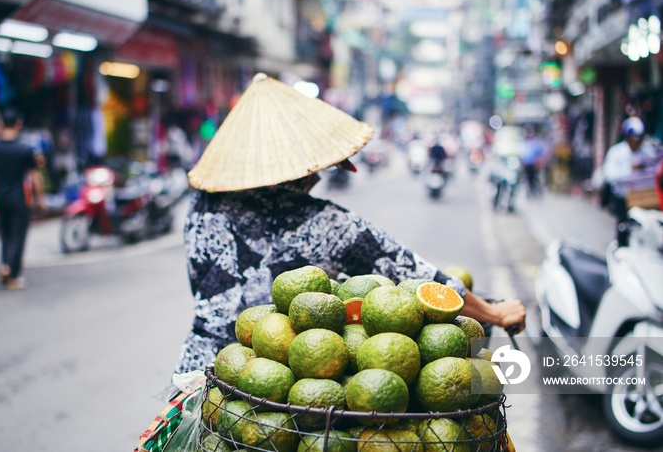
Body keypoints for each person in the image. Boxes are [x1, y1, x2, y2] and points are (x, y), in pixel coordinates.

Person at [176, 74, 526, 374]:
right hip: (268, 375)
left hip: (200, 371)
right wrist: (494, 313)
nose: (315, 178)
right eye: (312, 169)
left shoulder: (201, 206)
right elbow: (421, 280)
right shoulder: (323, 223)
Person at [0, 108, 46, 290]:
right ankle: (12, 274)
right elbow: (35, 177)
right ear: (18, 124)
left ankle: (6, 265)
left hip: (2, 199)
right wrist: (41, 199)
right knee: (17, 237)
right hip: (20, 199)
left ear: (1, 124)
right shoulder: (24, 150)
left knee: (5, 235)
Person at [602, 116, 658, 245]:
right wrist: (630, 169)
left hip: (643, 200)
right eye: (634, 140)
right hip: (623, 200)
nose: (636, 143)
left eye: (639, 140)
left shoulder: (647, 151)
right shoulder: (617, 152)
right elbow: (609, 175)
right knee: (624, 230)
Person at [521, 126, 545, 199]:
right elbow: (523, 154)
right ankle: (530, 193)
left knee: (535, 179)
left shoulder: (536, 142)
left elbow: (540, 153)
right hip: (527, 164)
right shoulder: (525, 142)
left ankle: (537, 193)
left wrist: (538, 162)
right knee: (528, 179)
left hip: (534, 164)